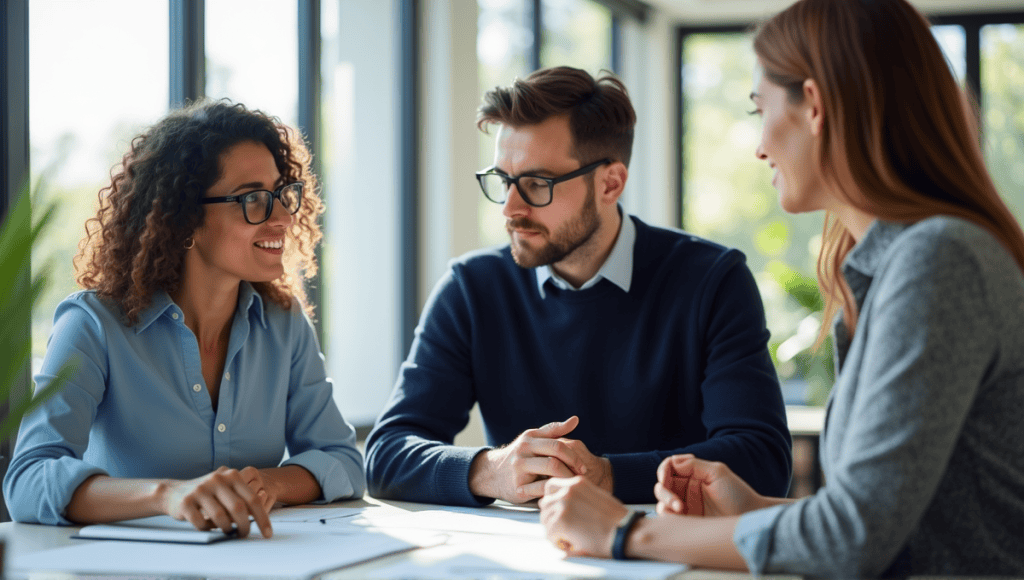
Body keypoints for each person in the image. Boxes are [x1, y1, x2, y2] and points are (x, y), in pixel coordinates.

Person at [537, 0, 1024, 577]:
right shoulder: (908, 261)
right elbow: (897, 524)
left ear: (814, 106)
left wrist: (623, 530)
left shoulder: (939, 262)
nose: (759, 145)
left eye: (759, 109)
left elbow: (856, 538)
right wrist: (751, 511)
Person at [364, 66, 792, 507]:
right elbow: (385, 455)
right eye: (504, 181)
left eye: (536, 184)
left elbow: (763, 461)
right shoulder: (472, 288)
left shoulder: (712, 280)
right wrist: (490, 470)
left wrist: (607, 476)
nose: (510, 208)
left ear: (611, 183)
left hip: (670, 554)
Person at [3, 101, 366, 537]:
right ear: (186, 218)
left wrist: (266, 484)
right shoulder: (93, 324)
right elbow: (27, 481)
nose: (284, 218)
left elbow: (344, 460)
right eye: (253, 199)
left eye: (281, 194)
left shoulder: (284, 323)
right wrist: (167, 495)